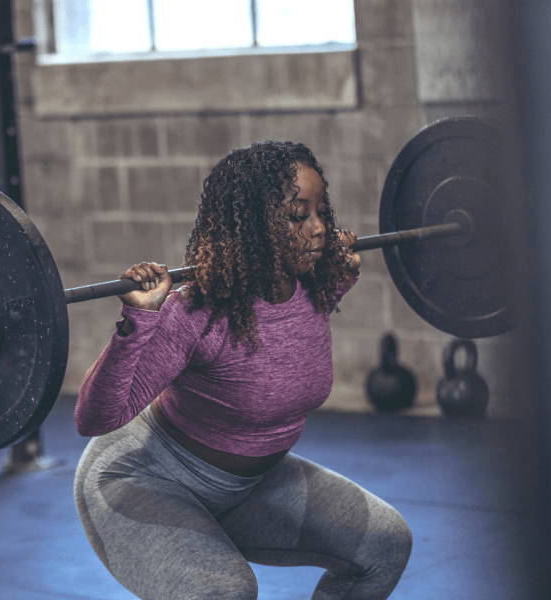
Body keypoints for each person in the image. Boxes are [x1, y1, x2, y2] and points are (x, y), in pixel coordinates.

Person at [73, 141, 412, 600]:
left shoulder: (314, 287)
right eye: (298, 215)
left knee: (386, 544)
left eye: (320, 212)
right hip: (141, 477)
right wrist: (139, 323)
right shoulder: (195, 312)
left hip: (248, 488)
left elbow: (284, 334)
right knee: (226, 593)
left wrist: (341, 271)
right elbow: (93, 419)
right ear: (255, 226)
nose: (319, 229)